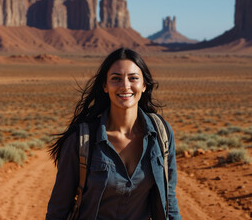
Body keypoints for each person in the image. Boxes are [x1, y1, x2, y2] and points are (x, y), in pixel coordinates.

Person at [46, 48, 181, 220]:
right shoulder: (82, 140)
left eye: (133, 78)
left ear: (144, 85)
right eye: (116, 79)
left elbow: (169, 200)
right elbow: (59, 207)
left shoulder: (161, 133)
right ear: (105, 85)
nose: (125, 85)